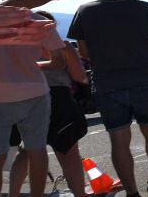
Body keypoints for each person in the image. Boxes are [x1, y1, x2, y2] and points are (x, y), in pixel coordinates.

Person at [67, 0, 148, 196]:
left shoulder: (85, 11)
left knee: (119, 139)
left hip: (107, 82)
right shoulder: (146, 9)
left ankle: (132, 192)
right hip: (144, 78)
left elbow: (83, 53)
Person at [0, 0, 78, 197]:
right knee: (36, 150)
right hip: (34, 92)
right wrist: (32, 66)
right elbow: (57, 62)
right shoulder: (38, 21)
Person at [7, 11, 89, 197]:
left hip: (20, 99)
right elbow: (80, 77)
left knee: (27, 151)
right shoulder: (62, 47)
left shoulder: (13, 48)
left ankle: (13, 194)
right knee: (68, 152)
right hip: (56, 97)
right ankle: (79, 194)